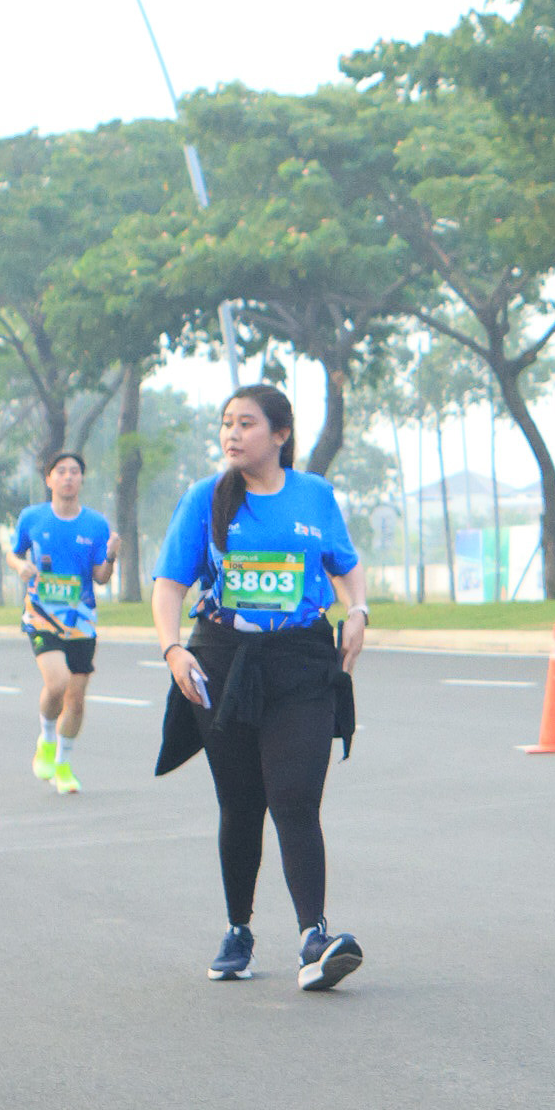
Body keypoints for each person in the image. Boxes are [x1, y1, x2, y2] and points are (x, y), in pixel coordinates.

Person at [151, 384, 369, 991]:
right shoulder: (205, 498)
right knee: (241, 803)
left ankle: (314, 940)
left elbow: (345, 563)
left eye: (246, 423)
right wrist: (172, 649)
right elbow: (169, 585)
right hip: (223, 664)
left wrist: (358, 610)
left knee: (295, 798)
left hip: (302, 662)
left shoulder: (314, 494)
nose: (232, 433)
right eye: (227, 423)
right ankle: (238, 931)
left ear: (280, 434)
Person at [10, 451, 118, 794]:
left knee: (77, 699)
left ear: (82, 479)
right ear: (49, 479)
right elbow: (14, 552)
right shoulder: (32, 517)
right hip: (42, 615)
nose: (68, 477)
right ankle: (46, 739)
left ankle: (63, 764)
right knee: (57, 684)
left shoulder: (96, 524)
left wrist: (111, 555)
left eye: (74, 472)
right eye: (61, 471)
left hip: (81, 619)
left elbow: (101, 576)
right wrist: (20, 566)